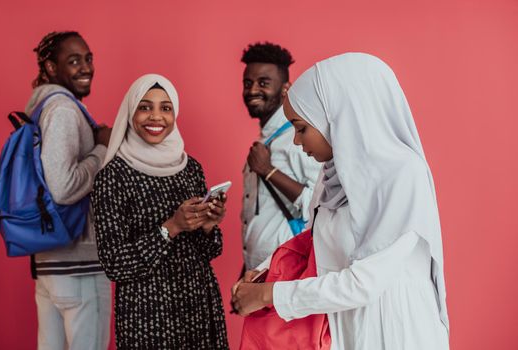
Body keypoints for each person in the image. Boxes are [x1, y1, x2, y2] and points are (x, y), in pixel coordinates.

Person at [232, 53, 450, 349]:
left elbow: (364, 283)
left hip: (396, 331)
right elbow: (313, 239)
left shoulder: (401, 176)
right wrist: (263, 269)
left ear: (338, 116)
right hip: (345, 328)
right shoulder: (333, 175)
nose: (297, 141)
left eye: (302, 127)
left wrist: (269, 295)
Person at [92, 74, 229, 349]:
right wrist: (171, 227)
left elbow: (210, 251)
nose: (156, 117)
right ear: (131, 112)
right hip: (147, 313)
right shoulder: (112, 177)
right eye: (145, 107)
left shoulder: (190, 168)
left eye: (165, 108)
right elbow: (114, 264)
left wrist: (208, 224)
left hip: (196, 302)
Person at [27, 31, 112, 350]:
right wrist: (101, 150)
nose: (85, 67)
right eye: (73, 60)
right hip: (78, 266)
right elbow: (62, 188)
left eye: (88, 58)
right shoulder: (62, 110)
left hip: (52, 262)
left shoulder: (43, 108)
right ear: (50, 67)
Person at [240, 42, 321, 272]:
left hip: (288, 275)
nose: (253, 89)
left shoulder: (298, 140)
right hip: (259, 274)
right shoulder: (265, 140)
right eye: (248, 83)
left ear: (286, 89)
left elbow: (320, 208)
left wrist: (269, 171)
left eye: (263, 83)